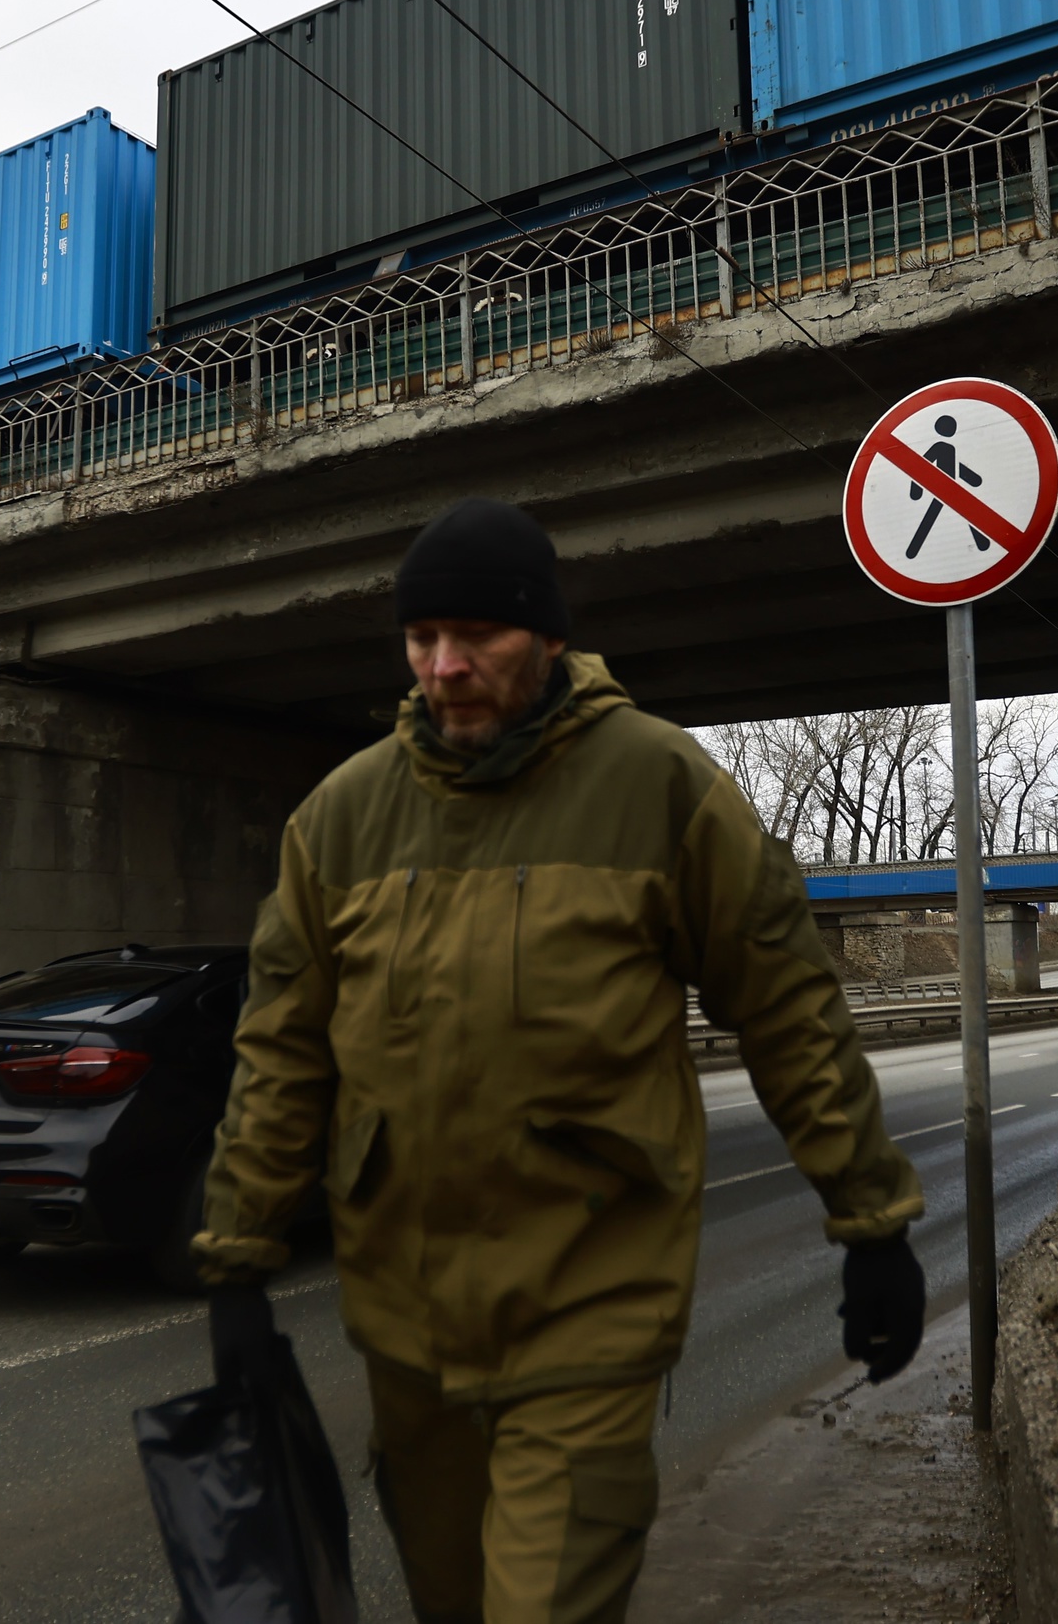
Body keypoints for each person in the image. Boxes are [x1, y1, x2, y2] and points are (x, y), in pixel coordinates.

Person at [191, 497, 927, 1624]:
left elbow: (787, 1013)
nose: (443, 668)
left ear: (542, 635)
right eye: (419, 641)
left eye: (473, 638)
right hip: (406, 1328)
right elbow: (281, 1051)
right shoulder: (338, 821)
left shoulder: (664, 789)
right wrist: (237, 1258)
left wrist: (870, 1223)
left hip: (591, 1304)